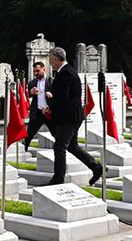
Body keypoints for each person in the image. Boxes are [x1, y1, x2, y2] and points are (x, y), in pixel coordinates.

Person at [42, 47, 103, 186]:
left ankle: (58, 179)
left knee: (59, 147)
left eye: (50, 59)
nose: (50, 62)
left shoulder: (66, 73)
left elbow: (63, 97)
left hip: (68, 117)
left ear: (56, 59)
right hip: (72, 115)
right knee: (72, 146)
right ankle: (96, 167)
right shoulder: (66, 71)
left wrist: (49, 105)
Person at [23, 61, 55, 150]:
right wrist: (31, 92)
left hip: (49, 112)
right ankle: (24, 149)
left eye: (38, 71)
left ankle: (65, 150)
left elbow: (59, 96)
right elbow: (27, 95)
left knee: (56, 133)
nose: (36, 73)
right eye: (34, 71)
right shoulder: (32, 83)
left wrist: (52, 95)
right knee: (29, 133)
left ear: (44, 69)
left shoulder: (52, 81)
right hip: (37, 112)